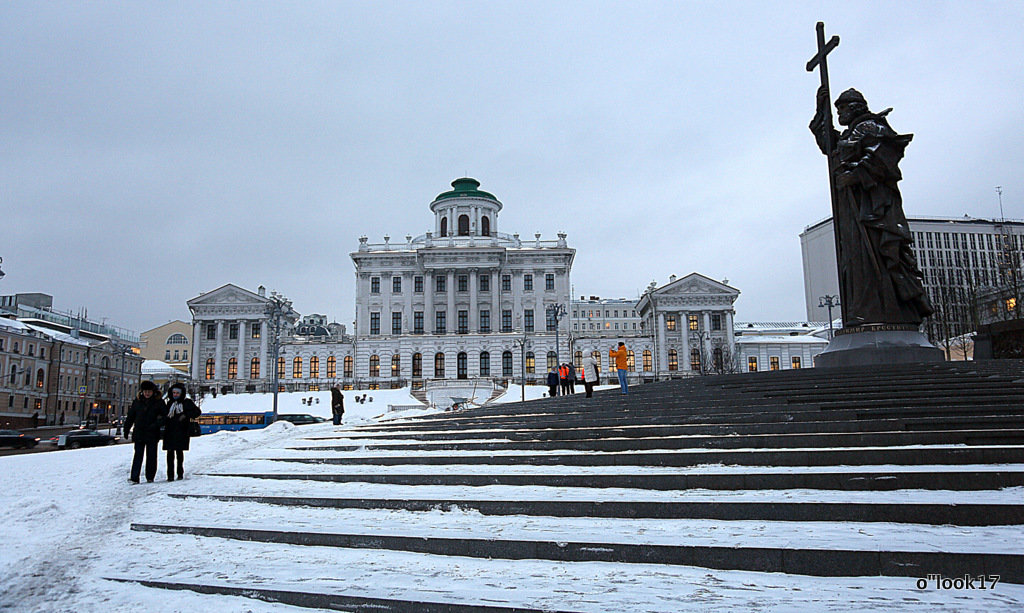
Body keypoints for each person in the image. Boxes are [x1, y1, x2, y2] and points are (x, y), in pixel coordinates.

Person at [809, 86, 932, 326]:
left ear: (854, 108)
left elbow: (883, 158)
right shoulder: (849, 135)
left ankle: (885, 311)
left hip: (873, 209)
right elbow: (828, 144)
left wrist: (855, 175)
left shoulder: (871, 127)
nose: (839, 114)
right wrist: (820, 110)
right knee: (855, 259)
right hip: (851, 207)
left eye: (841, 108)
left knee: (875, 255)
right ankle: (864, 312)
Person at [124, 381, 167, 484]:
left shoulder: (159, 402)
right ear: (142, 392)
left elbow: (165, 416)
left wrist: (156, 424)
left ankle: (150, 476)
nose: (147, 393)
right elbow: (131, 417)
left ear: (153, 392)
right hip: (139, 432)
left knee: (151, 456)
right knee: (138, 455)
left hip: (152, 433)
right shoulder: (137, 402)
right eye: (145, 391)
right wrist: (126, 429)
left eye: (149, 391)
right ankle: (134, 477)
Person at [163, 383, 201, 481]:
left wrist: (186, 415)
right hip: (170, 432)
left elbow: (197, 412)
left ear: (181, 393)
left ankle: (180, 473)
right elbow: (165, 415)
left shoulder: (186, 402)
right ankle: (170, 475)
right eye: (174, 393)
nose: (175, 395)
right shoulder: (169, 403)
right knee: (169, 454)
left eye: (177, 393)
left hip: (181, 431)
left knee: (179, 454)